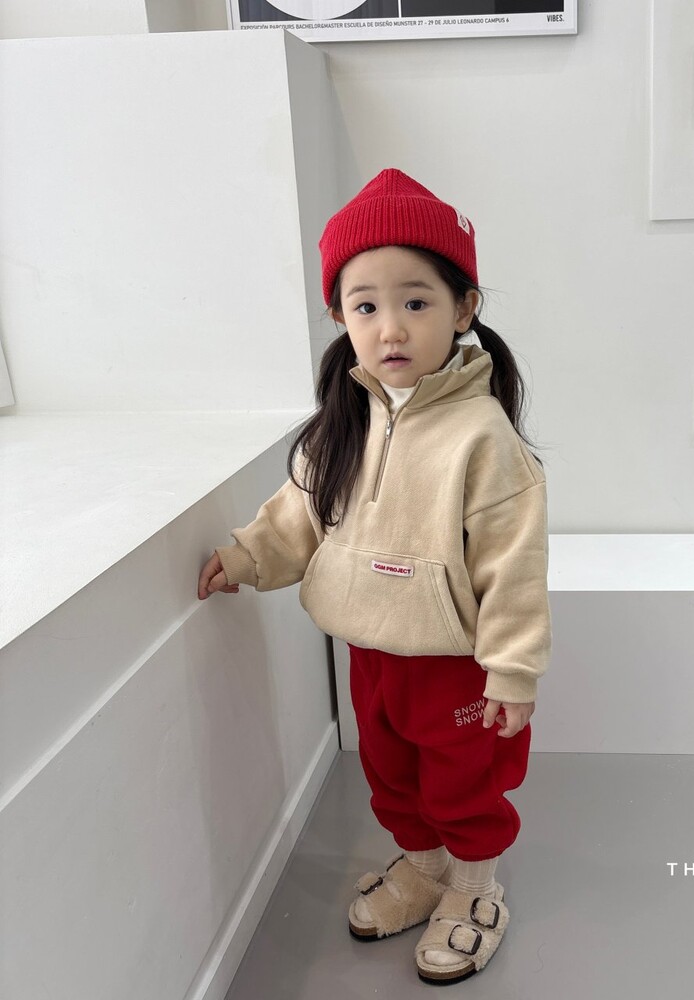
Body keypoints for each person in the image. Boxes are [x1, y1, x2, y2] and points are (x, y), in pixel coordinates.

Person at [196, 168, 551, 985]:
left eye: (416, 302)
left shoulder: (483, 437)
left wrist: (513, 670)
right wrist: (249, 556)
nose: (390, 327)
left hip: (456, 662)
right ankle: (423, 869)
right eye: (365, 306)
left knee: (464, 785)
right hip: (371, 650)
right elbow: (301, 510)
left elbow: (515, 567)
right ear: (340, 316)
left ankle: (474, 889)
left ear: (463, 309)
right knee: (390, 777)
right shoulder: (345, 421)